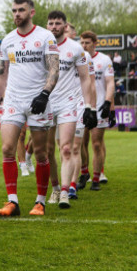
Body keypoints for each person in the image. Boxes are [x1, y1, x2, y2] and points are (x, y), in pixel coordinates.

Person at [0, 0, 60, 217]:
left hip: (38, 100)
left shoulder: (46, 36)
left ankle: (40, 202)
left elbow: (54, 70)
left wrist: (45, 94)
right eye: (14, 10)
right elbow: (2, 74)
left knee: (40, 153)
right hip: (13, 101)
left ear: (32, 12)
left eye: (21, 10)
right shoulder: (8, 40)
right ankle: (12, 201)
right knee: (7, 149)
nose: (16, 14)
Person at [44, 11, 96, 208]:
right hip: (46, 103)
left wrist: (89, 106)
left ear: (65, 27)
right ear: (47, 26)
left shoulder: (75, 49)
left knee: (67, 149)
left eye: (58, 23)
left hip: (68, 104)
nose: (54, 26)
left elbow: (85, 79)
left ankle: (65, 191)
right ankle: (55, 189)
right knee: (48, 151)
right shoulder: (41, 46)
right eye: (51, 23)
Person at [79, 31, 115, 190]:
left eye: (87, 42)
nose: (84, 45)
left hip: (99, 106)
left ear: (95, 43)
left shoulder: (104, 60)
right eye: (82, 42)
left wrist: (108, 103)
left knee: (96, 144)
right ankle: (84, 172)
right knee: (80, 143)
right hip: (81, 106)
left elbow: (110, 83)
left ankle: (96, 178)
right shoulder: (78, 58)